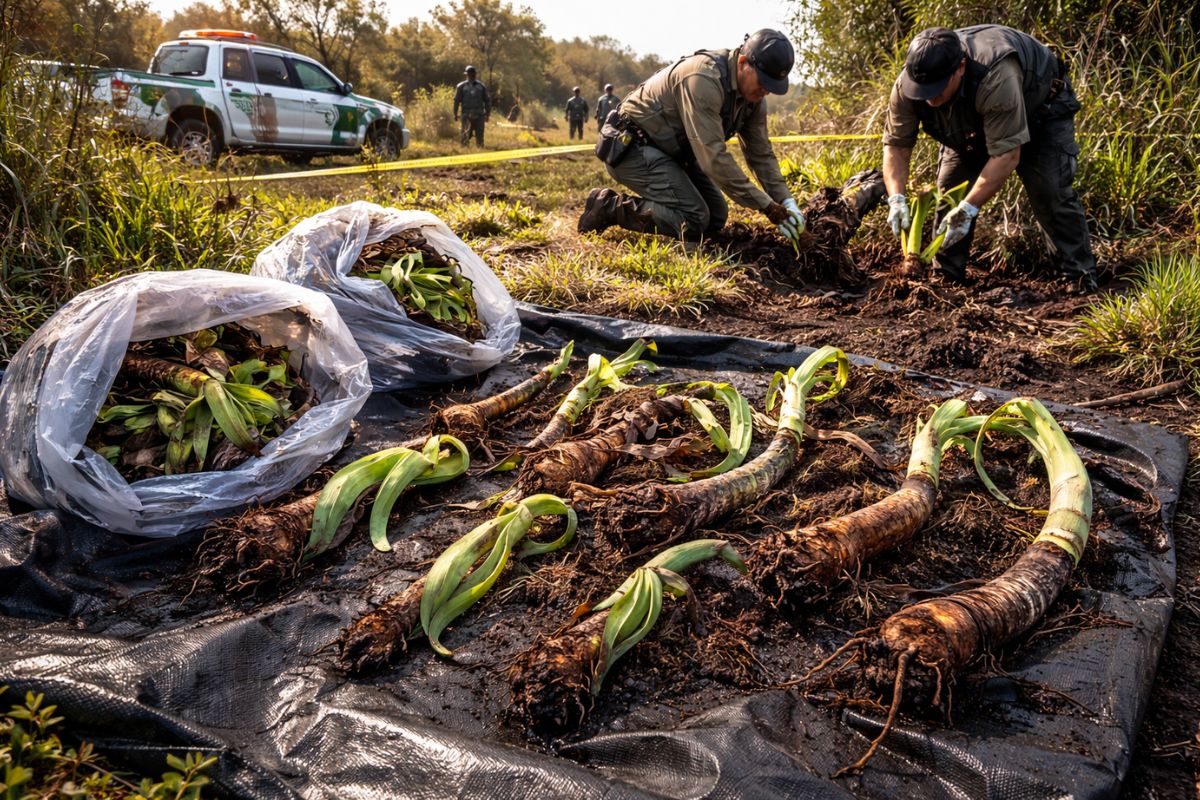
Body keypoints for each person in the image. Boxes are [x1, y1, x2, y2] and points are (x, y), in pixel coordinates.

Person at [882, 25, 1099, 292]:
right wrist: (896, 198)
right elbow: (896, 147)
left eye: (936, 89)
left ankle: (1077, 276)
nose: (928, 98)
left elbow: (1007, 155)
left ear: (960, 67)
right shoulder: (910, 84)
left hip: (1041, 111)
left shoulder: (995, 73)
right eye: (921, 90)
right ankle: (946, 277)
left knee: (1049, 189)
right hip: (971, 123)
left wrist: (969, 209)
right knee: (950, 190)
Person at [578, 29, 804, 247]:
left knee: (716, 216)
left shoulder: (752, 100)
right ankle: (607, 206)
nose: (767, 91)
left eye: (772, 86)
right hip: (631, 147)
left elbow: (761, 154)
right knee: (694, 217)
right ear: (744, 62)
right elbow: (713, 158)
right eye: (763, 82)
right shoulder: (704, 79)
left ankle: (671, 216)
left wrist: (786, 201)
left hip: (671, 153)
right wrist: (768, 207)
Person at [453, 65, 490, 147]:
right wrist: (455, 113)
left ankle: (480, 152)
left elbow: (487, 101)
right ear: (467, 75)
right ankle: (464, 152)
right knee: (465, 135)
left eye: (472, 74)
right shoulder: (461, 86)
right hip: (466, 113)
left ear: (475, 74)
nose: (471, 75)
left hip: (479, 114)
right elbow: (456, 101)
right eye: (469, 74)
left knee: (480, 135)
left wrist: (487, 114)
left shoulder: (481, 86)